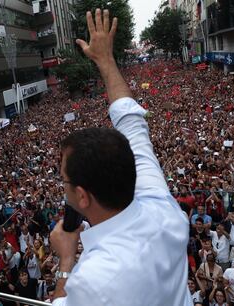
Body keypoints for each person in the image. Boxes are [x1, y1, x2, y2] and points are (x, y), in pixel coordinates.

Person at [49, 9, 191, 306]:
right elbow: (131, 121)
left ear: (83, 197)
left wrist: (65, 262)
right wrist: (106, 60)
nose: (61, 186)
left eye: (63, 180)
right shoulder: (161, 207)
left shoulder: (93, 280)